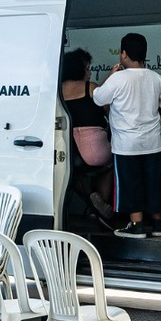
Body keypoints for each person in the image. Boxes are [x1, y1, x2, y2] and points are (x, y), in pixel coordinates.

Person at [92, 32, 161, 239]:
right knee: (154, 182)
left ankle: (136, 225)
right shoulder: (156, 78)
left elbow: (98, 98)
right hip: (152, 143)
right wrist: (153, 115)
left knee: (130, 182)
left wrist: (111, 76)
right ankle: (158, 224)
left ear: (123, 54)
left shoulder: (118, 79)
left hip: (125, 144)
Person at [59, 49, 115, 229]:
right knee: (110, 165)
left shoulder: (58, 89)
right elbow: (110, 110)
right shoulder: (90, 87)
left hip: (67, 148)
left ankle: (92, 199)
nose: (90, 72)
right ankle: (99, 208)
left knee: (72, 174)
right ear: (80, 69)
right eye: (87, 68)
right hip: (94, 146)